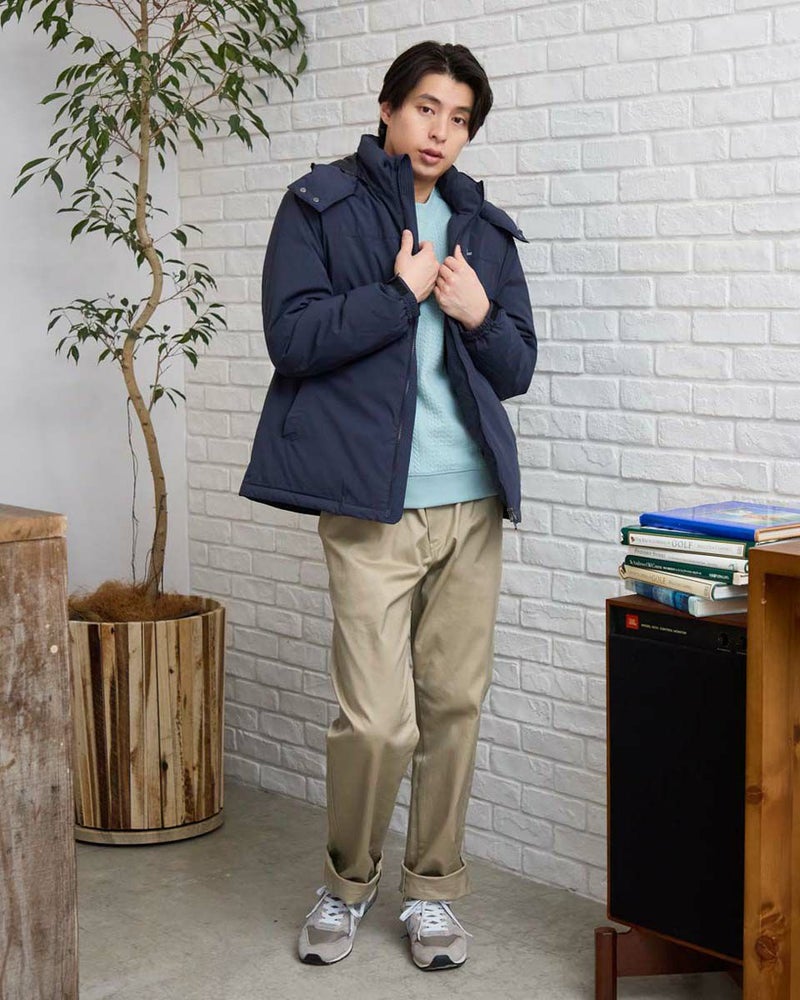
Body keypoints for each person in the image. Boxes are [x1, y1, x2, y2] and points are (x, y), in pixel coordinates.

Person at [240, 40, 536, 970]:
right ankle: (346, 881)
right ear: (387, 108)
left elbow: (517, 367)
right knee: (377, 720)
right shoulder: (319, 204)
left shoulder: (481, 225)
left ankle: (433, 891)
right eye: (425, 108)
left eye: (459, 118)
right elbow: (292, 338)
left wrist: (478, 314)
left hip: (470, 502)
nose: (440, 131)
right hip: (371, 504)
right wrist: (397, 295)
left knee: (454, 707)